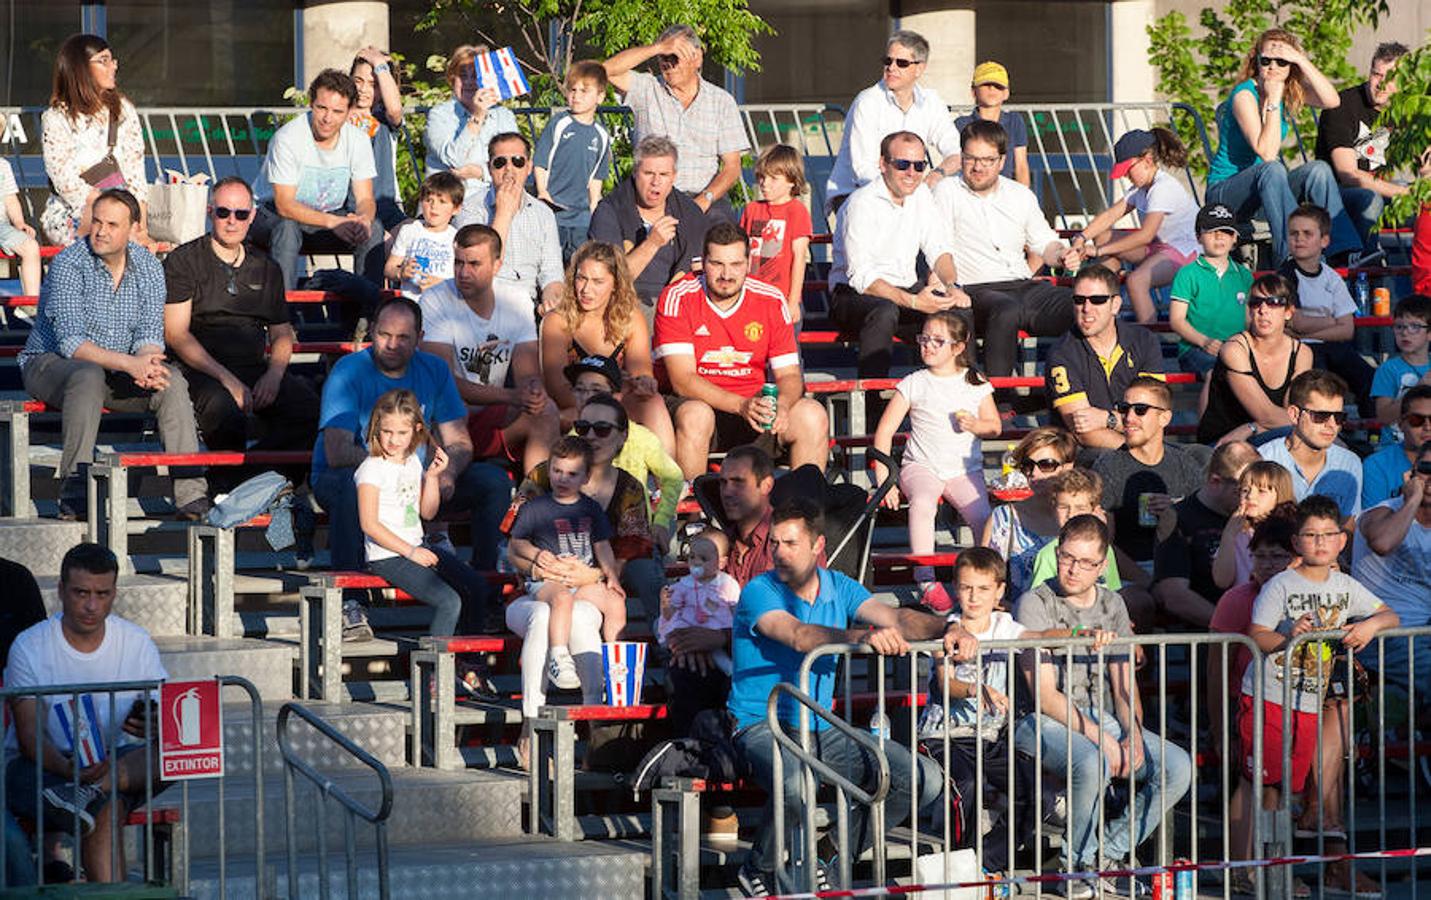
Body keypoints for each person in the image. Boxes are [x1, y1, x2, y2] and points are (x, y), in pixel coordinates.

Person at [729, 497, 973, 896]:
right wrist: (862, 637)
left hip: (819, 726)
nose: (778, 552)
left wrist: (948, 626)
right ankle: (760, 867)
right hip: (760, 723)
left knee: (919, 779)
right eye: (774, 543)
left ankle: (834, 850)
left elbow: (897, 617)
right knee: (796, 784)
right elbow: (798, 635)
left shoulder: (839, 586)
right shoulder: (759, 590)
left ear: (817, 546)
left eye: (790, 543)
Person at [1013, 515, 1192, 899]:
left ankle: (1105, 854)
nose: (1073, 569)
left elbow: (1124, 684)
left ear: (1103, 564)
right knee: (1092, 760)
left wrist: (1133, 735)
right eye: (1066, 557)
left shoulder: (1112, 604)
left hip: (1103, 718)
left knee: (1177, 766)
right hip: (1041, 721)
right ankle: (1075, 867)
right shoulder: (1035, 602)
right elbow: (1044, 696)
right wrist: (1103, 739)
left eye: (1086, 562)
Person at [311, 296, 512, 637]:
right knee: (352, 482)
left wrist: (446, 473)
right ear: (371, 332)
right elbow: (337, 451)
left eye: (403, 337)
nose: (391, 344)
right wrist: (396, 468)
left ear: (419, 336)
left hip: (414, 480)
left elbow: (460, 441)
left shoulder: (433, 369)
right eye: (384, 334)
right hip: (356, 476)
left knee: (491, 480)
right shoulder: (350, 371)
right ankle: (351, 602)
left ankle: (486, 594)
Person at [1235, 495, 1396, 897]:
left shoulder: (1345, 585)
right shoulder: (1281, 585)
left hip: (1309, 698)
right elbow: (1257, 633)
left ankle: (1283, 868)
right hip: (1271, 694)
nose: (1320, 543)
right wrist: (1287, 636)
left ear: (1342, 541)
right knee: (1268, 787)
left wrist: (1371, 625)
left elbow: (1390, 613)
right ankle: (1263, 871)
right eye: (1311, 535)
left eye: (1329, 535)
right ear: (1296, 541)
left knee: (1290, 786)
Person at [19, 188, 208, 521]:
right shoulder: (68, 263)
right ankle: (75, 490)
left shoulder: (149, 266)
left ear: (133, 229)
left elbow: (150, 334)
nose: (101, 231)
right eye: (97, 222)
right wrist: (131, 364)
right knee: (87, 375)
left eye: (112, 224)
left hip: (116, 368)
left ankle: (190, 494)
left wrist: (147, 363)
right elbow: (71, 344)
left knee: (171, 381)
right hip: (49, 364)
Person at [3, 543, 168, 883]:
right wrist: (69, 768)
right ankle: (95, 789)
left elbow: (164, 716)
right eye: (81, 593)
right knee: (107, 806)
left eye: (102, 594)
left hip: (116, 762)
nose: (92, 605)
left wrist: (155, 721)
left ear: (114, 593)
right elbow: (29, 738)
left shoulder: (136, 642)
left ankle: (93, 788)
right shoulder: (29, 645)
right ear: (61, 591)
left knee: (174, 752)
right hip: (44, 770)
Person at [162, 177, 319, 491]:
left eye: (240, 214)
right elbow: (176, 334)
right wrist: (226, 378)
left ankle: (245, 483)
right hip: (200, 368)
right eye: (223, 213)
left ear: (252, 216)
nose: (231, 221)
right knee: (226, 412)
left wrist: (274, 374)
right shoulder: (183, 260)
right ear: (210, 212)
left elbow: (281, 332)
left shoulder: (267, 267)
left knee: (311, 409)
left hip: (254, 365)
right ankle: (234, 487)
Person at [917, 548, 1053, 884]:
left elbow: (1037, 638)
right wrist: (978, 690)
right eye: (966, 588)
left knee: (1035, 790)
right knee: (966, 784)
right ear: (955, 589)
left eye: (982, 588)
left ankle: (982, 865)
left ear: (999, 592)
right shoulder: (948, 629)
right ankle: (960, 868)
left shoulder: (1004, 624)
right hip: (943, 736)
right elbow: (945, 683)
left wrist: (1080, 634)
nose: (974, 597)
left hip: (987, 737)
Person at [654, 222, 830, 479]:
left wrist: (782, 405)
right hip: (699, 406)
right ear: (703, 263)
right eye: (717, 264)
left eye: (736, 265)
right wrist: (742, 405)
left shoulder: (771, 299)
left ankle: (803, 513)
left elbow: (790, 376)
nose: (726, 274)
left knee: (811, 415)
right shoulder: (677, 297)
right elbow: (682, 381)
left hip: (754, 407)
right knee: (696, 415)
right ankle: (691, 516)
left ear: (749, 263)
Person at [933, 119, 1079, 377]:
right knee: (1006, 308)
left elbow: (1044, 242)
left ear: (1002, 161)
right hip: (975, 288)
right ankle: (1000, 405)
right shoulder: (946, 192)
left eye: (987, 160)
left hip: (1023, 283)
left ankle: (1072, 397)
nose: (978, 167)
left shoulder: (1020, 195)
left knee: (1084, 306)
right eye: (970, 158)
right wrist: (949, 285)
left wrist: (1062, 255)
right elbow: (938, 246)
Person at [874, 311, 1000, 608]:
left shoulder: (976, 382)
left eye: (937, 341)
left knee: (984, 517)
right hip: (921, 465)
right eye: (924, 339)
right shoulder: (914, 382)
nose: (928, 346)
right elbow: (885, 431)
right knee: (922, 503)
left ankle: (985, 579)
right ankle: (926, 577)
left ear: (958, 347)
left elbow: (994, 425)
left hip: (964, 470)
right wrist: (884, 479)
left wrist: (975, 425)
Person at [1204, 28, 1360, 264]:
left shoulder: (1289, 90)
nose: (1273, 67)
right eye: (1266, 60)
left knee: (1317, 170)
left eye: (1282, 61)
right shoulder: (1244, 96)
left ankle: (1343, 252)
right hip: (1226, 194)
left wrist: (1301, 59)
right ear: (1256, 61)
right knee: (1273, 168)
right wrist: (1273, 101)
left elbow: (1332, 101)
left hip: (1266, 192)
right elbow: (1266, 153)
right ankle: (1291, 254)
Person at [418, 224, 559, 477]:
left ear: (497, 265)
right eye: (458, 263)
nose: (463, 272)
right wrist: (512, 396)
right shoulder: (434, 300)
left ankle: (535, 501)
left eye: (474, 264)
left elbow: (528, 373)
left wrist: (533, 392)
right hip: (445, 418)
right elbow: (444, 383)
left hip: (490, 413)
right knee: (450, 406)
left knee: (545, 409)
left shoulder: (516, 301)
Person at [356, 389, 491, 654]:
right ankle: (432, 675)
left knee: (475, 586)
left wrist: (432, 478)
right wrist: (411, 552)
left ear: (416, 430)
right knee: (448, 602)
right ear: (376, 429)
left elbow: (427, 513)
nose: (393, 440)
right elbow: (369, 524)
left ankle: (470, 664)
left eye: (401, 433)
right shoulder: (371, 468)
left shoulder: (412, 463)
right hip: (388, 555)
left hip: (417, 547)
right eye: (387, 432)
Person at [828, 130, 961, 379]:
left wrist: (953, 286)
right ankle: (873, 408)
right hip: (853, 296)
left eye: (919, 165)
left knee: (956, 313)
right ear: (882, 164)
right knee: (884, 312)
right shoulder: (860, 204)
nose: (912, 173)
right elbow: (861, 277)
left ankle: (959, 397)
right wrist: (913, 302)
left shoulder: (921, 195)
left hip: (903, 292)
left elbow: (938, 247)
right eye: (902, 164)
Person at [508, 435, 627, 690]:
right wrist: (538, 555)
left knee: (616, 602)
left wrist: (612, 576)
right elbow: (517, 543)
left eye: (572, 474)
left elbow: (602, 545)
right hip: (548, 581)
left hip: (581, 578)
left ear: (585, 478)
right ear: (548, 469)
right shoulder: (535, 508)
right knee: (562, 599)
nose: (563, 479)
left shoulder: (591, 508)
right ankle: (558, 656)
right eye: (557, 471)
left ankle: (613, 658)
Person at [249, 69, 384, 290]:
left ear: (350, 112)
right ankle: (281, 318)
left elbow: (365, 198)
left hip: (325, 220)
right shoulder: (288, 138)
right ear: (311, 104)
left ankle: (368, 318)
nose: (327, 118)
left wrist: (363, 221)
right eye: (322, 108)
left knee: (374, 230)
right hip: (272, 214)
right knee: (287, 229)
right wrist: (335, 222)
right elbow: (284, 205)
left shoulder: (358, 140)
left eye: (337, 111)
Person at [602, 25, 749, 223]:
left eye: (674, 57)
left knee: (723, 238)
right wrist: (658, 47)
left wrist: (703, 201)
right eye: (664, 58)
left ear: (696, 58)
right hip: (653, 197)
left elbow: (732, 167)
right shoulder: (647, 88)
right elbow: (605, 70)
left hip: (705, 198)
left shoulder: (721, 101)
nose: (667, 64)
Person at [540, 241, 674, 450]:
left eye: (597, 281)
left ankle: (671, 480)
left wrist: (644, 384)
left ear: (615, 285)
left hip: (617, 404)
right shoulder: (558, 321)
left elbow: (641, 376)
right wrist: (605, 404)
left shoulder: (630, 318)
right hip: (573, 406)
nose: (586, 289)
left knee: (653, 402)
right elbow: (557, 388)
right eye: (581, 278)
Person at [824, 30, 962, 215]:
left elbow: (957, 152)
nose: (891, 67)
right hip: (856, 193)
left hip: (906, 195)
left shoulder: (932, 101)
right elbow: (863, 169)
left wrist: (936, 176)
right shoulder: (867, 101)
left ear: (920, 68)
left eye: (902, 63)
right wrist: (907, 198)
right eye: (888, 61)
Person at [1074, 128, 1199, 323]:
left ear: (1147, 160)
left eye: (1128, 170)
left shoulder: (1163, 188)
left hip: (1186, 252)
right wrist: (1081, 238)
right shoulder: (1141, 188)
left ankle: (1149, 344)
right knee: (1104, 236)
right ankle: (1106, 308)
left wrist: (1098, 251)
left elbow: (1145, 236)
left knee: (1136, 281)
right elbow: (1110, 215)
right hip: (1162, 247)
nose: (1126, 176)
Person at [39, 34, 150, 248]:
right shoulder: (56, 118)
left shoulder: (123, 110)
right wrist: (105, 211)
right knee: (105, 237)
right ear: (80, 67)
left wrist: (141, 226)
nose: (113, 67)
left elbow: (136, 174)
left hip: (122, 210)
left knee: (135, 243)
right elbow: (65, 181)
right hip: (75, 213)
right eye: (104, 60)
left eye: (113, 60)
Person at [564, 354, 683, 552]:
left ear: (617, 396)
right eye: (580, 390)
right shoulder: (569, 442)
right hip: (581, 540)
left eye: (596, 390)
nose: (586, 397)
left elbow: (674, 478)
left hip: (632, 539)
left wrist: (661, 521)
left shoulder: (641, 438)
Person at [1093, 377, 1207, 578]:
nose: (1128, 418)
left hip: (1180, 569)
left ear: (1165, 418)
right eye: (1123, 408)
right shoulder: (1108, 466)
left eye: (1140, 409)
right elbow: (1103, 545)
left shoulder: (1185, 464)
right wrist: (1147, 583)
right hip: (1128, 574)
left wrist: (1176, 508)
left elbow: (1204, 528)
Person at [1044, 266, 1166, 450]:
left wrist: (1106, 419)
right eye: (1079, 300)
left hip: (1140, 451)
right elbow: (1084, 431)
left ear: (1115, 305)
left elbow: (1155, 417)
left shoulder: (1144, 341)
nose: (1086, 308)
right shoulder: (1061, 353)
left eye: (1097, 300)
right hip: (1086, 460)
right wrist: (1137, 454)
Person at [1207, 516, 1296, 762]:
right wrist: (1221, 732)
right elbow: (1217, 670)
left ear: (1296, 558)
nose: (1267, 565)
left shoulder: (1309, 597)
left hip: (1299, 704)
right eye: (1260, 555)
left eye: (1277, 556)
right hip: (1248, 706)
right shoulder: (1236, 600)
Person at [588, 135, 709, 313]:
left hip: (677, 302)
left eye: (664, 174)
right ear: (635, 172)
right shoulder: (610, 210)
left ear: (674, 177)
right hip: (624, 302)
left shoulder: (690, 213)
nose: (656, 182)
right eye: (649, 173)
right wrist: (652, 243)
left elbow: (697, 271)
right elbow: (609, 280)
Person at [1152, 442, 1263, 628]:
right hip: (1210, 633)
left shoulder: (1260, 513)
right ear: (1215, 482)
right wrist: (1231, 628)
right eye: (1243, 489)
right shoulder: (1178, 518)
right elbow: (1175, 595)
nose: (1251, 497)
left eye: (1259, 487)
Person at [1314, 42, 1414, 248]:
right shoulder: (1342, 106)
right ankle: (1364, 269)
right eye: (1376, 75)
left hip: (1382, 190)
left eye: (1390, 78)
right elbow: (1348, 175)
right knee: (1370, 199)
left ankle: (1420, 276)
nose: (1380, 84)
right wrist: (1404, 194)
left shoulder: (1406, 109)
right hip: (1338, 196)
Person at [1354, 439, 1431, 704]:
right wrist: (1413, 500)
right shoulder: (1380, 512)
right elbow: (1383, 543)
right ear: (1412, 471)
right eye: (1426, 468)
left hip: (1423, 633)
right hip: (1378, 633)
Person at [1279, 204, 1374, 412]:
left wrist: (1308, 327)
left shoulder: (1332, 277)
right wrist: (1332, 321)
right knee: (1318, 386)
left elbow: (1347, 329)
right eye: (1294, 233)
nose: (1299, 239)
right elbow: (1297, 322)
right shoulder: (1285, 275)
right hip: (1301, 348)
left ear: (1324, 241)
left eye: (1307, 234)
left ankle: (1373, 432)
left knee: (1370, 378)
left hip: (1331, 345)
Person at [1198, 272, 1312, 445]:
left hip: (1267, 435)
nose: (1263, 310)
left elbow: (1292, 412)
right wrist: (1313, 423)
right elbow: (1267, 415)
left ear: (1288, 312)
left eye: (1273, 302)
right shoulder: (1234, 350)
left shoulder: (1302, 353)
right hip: (1225, 442)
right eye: (1256, 302)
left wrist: (1252, 428)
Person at [424, 44, 520, 227]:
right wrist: (477, 115)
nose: (469, 82)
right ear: (453, 80)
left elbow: (514, 165)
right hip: (448, 205)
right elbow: (456, 159)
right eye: (463, 76)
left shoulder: (504, 116)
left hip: (494, 199)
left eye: (475, 76)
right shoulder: (439, 115)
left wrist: (481, 172)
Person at [467, 132, 564, 309]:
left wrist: (552, 298)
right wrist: (503, 213)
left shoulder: (543, 213)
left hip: (530, 303)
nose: (509, 169)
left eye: (517, 161)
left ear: (528, 167)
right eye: (500, 162)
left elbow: (552, 272)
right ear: (490, 168)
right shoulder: (471, 208)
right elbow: (478, 268)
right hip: (486, 301)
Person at [980, 426, 1078, 602]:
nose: (1034, 473)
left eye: (1046, 465)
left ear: (1068, 467)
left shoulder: (1083, 515)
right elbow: (982, 579)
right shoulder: (1003, 519)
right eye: (1027, 465)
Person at [1257, 369, 1362, 523]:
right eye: (1320, 416)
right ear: (1294, 415)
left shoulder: (1349, 463)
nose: (1332, 425)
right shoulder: (1263, 459)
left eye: (1339, 417)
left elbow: (1347, 526)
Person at [534, 60, 613, 261]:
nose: (576, 96)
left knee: (579, 264)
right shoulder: (559, 124)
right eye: (572, 90)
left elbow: (596, 177)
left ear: (600, 96)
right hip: (553, 212)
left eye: (584, 91)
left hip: (581, 218)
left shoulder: (601, 135)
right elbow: (541, 162)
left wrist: (594, 208)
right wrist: (543, 193)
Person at [1169, 202, 1254, 380]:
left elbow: (1248, 320)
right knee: (1219, 373)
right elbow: (1176, 320)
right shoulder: (1188, 273)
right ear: (1198, 237)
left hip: (1236, 349)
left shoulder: (1244, 276)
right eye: (1211, 231)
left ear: (1235, 238)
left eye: (1227, 231)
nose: (1219, 237)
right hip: (1195, 349)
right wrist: (1204, 341)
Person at [740, 145, 813, 329]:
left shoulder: (796, 211)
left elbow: (799, 259)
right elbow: (741, 252)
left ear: (792, 181)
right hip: (751, 297)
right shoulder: (752, 209)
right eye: (762, 177)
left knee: (786, 353)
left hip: (782, 298)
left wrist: (793, 302)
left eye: (773, 178)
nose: (765, 183)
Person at [1025, 468, 1121, 594]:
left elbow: (1113, 592)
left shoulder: (1105, 550)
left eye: (1080, 508)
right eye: (1064, 507)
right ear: (1054, 509)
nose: (1071, 514)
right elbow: (1038, 599)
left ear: (1094, 510)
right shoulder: (1047, 555)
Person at [659, 528, 740, 676]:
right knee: (678, 640)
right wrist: (665, 604)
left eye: (703, 559)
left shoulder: (726, 584)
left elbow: (736, 610)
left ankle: (730, 672)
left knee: (718, 654)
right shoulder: (684, 584)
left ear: (721, 563)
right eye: (692, 557)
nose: (696, 562)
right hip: (690, 627)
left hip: (716, 628)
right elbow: (672, 611)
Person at [1211, 460, 1297, 591]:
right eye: (1245, 490)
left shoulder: (1293, 532)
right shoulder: (1238, 533)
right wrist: (1228, 536)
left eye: (1261, 491)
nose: (1251, 496)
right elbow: (1221, 581)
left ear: (1280, 495)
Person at [348, 45, 407, 234]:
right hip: (349, 204)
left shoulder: (385, 118)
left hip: (386, 203)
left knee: (410, 237)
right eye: (358, 81)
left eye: (373, 84)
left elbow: (395, 110)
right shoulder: (338, 116)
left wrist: (380, 64)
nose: (364, 89)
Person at [384, 171, 462, 298]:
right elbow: (389, 268)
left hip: (442, 307)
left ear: (456, 208)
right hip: (410, 304)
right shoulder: (409, 230)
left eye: (442, 201)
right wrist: (401, 272)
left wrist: (440, 284)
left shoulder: (457, 239)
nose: (434, 206)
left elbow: (462, 281)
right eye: (428, 200)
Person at [951, 61, 1030, 188]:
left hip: (1005, 193)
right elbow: (955, 163)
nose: (992, 89)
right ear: (973, 91)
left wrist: (1023, 200)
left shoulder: (1015, 121)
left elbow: (1021, 166)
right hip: (969, 191)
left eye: (998, 86)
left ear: (1006, 93)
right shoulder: (961, 124)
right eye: (986, 84)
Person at [1371, 294, 1431, 434]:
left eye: (1415, 326)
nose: (1405, 333)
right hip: (1396, 446)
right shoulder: (1387, 369)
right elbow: (1384, 417)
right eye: (1399, 326)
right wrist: (1416, 391)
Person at [1363, 386, 1431, 509]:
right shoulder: (1376, 466)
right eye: (1417, 420)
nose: (1427, 427)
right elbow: (1373, 524)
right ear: (1400, 424)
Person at [0, 157, 41, 296]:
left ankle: (31, 303)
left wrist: (19, 223)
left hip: (1, 226)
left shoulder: (3, 165)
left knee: (31, 247)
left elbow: (10, 199)